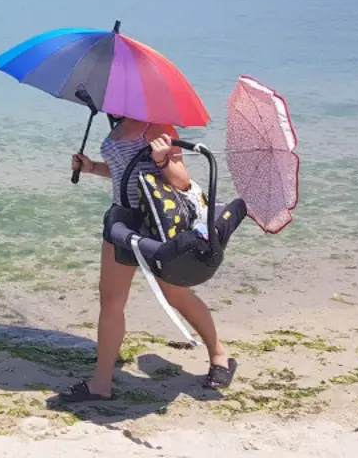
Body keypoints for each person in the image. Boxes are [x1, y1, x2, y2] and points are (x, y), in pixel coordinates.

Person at [59, 115, 236, 402]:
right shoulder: (119, 123)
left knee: (177, 296)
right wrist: (92, 168)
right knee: (111, 302)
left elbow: (182, 182)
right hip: (121, 222)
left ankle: (219, 355)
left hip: (157, 225)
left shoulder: (157, 127)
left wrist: (162, 159)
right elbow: (124, 170)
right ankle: (100, 384)